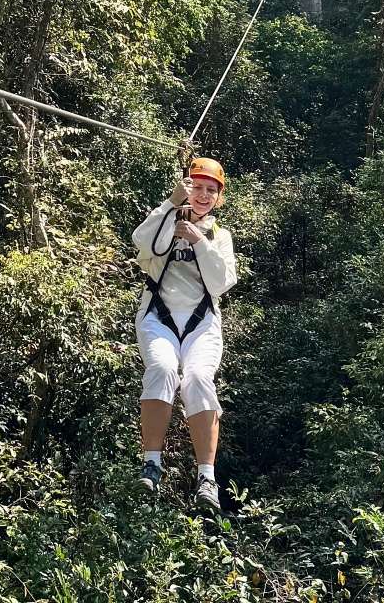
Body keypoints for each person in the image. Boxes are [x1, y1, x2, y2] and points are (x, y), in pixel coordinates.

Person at [131, 157, 237, 510]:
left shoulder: (220, 237)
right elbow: (140, 241)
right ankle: (151, 464)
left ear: (218, 197)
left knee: (198, 378)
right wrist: (170, 204)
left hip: (201, 323)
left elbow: (221, 283)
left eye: (210, 190)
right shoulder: (165, 219)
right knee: (161, 369)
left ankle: (206, 477)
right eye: (197, 188)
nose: (203, 195)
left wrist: (199, 242)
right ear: (187, 189)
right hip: (157, 317)